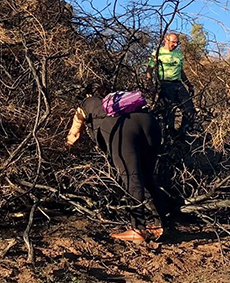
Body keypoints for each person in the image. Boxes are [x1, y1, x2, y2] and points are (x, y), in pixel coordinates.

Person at [67, 96, 170, 242]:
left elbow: (74, 134)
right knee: (147, 176)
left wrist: (68, 145)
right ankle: (161, 226)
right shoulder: (118, 101)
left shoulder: (86, 103)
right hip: (149, 121)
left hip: (121, 127)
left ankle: (137, 229)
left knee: (131, 177)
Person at [147, 32, 196, 136]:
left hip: (178, 84)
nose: (175, 45)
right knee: (168, 113)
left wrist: (189, 85)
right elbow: (149, 70)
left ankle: (182, 134)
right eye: (173, 42)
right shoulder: (158, 53)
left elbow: (181, 71)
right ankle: (167, 135)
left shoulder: (178, 54)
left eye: (177, 43)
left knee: (190, 110)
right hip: (165, 84)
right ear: (166, 40)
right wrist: (150, 85)